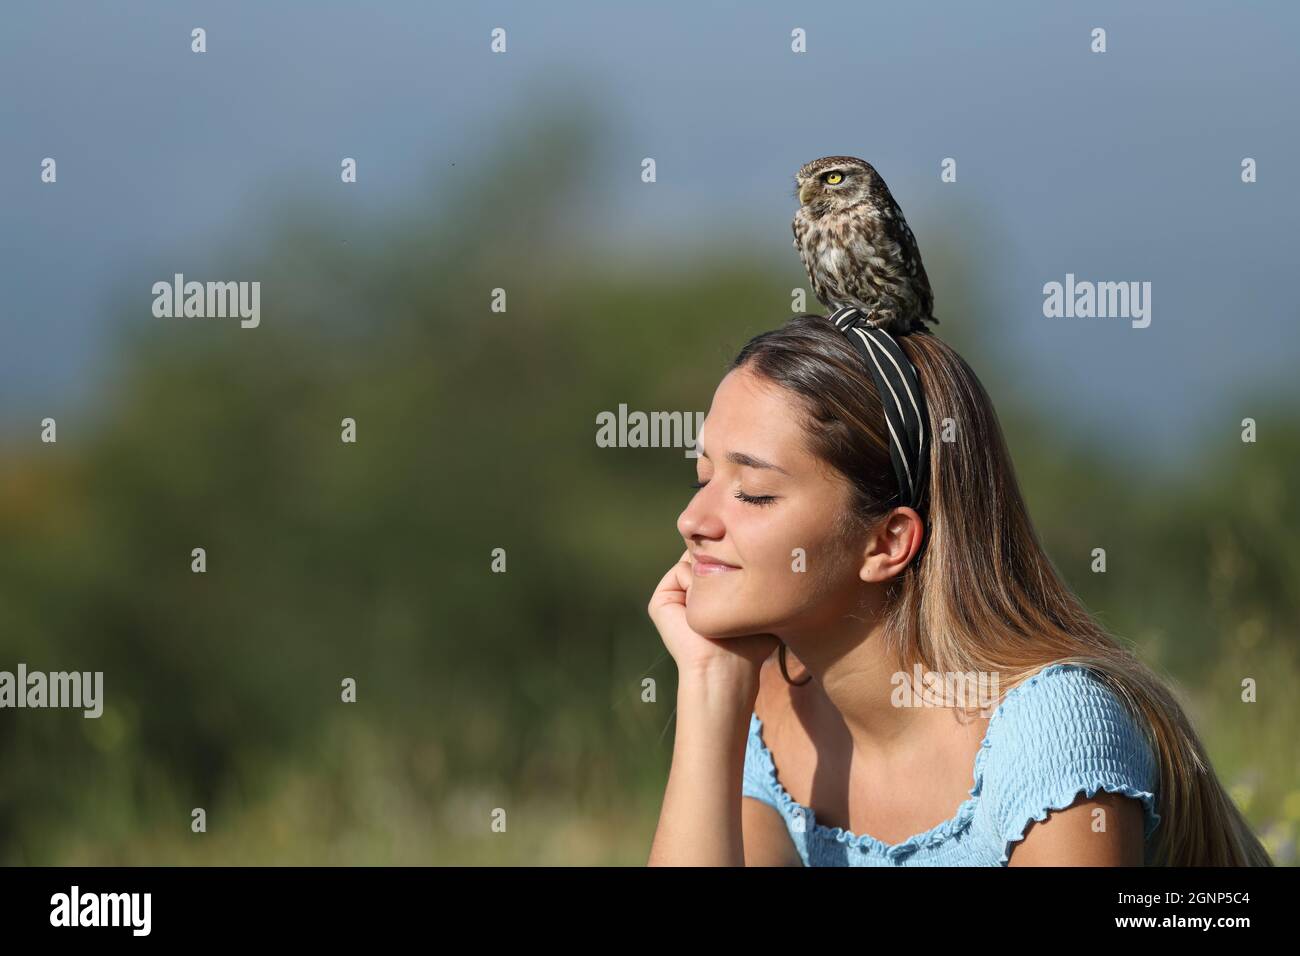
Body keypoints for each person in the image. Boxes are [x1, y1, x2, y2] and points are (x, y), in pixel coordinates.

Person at [646, 311, 1271, 867]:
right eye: (702, 478)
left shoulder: (1053, 737)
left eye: (753, 494)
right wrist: (708, 688)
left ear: (888, 542)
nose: (693, 521)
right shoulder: (773, 717)